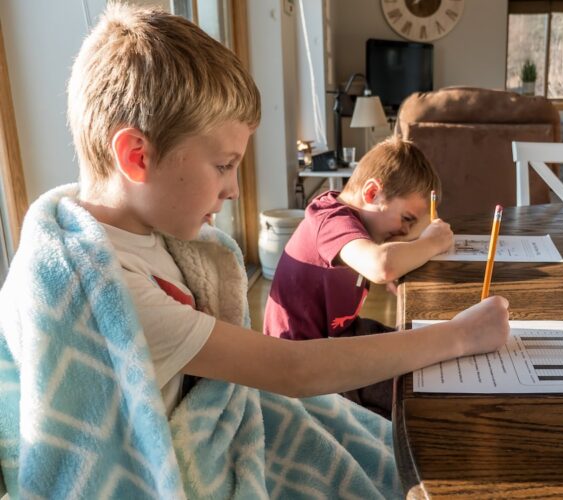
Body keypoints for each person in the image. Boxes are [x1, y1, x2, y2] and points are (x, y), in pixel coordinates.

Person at [0, 4, 509, 498]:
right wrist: (460, 335)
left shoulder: (143, 233)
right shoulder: (108, 290)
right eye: (224, 165)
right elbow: (293, 371)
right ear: (137, 157)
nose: (234, 191)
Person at [263, 137, 454, 417]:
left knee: (423, 353)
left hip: (338, 338)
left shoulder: (358, 224)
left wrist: (406, 255)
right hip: (303, 367)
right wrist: (430, 244)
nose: (406, 233)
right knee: (416, 391)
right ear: (372, 192)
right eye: (407, 220)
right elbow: (381, 265)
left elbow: (384, 262)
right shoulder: (330, 220)